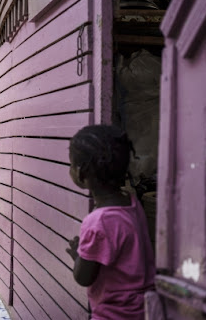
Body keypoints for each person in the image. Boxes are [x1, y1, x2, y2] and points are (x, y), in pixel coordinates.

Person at [65, 125, 155, 319]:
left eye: (71, 164)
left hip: (113, 313)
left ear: (80, 173)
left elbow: (83, 277)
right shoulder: (132, 203)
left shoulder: (98, 222)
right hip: (142, 309)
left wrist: (77, 254)